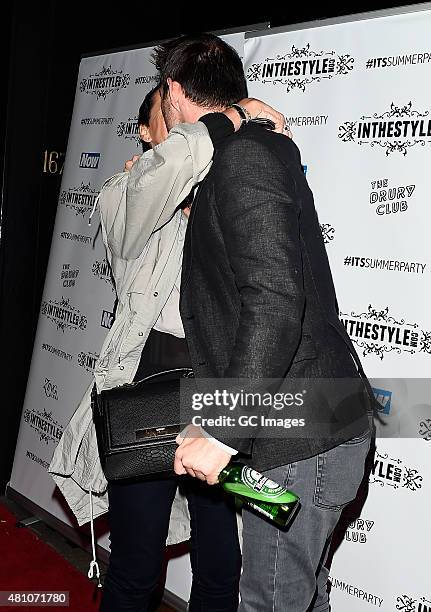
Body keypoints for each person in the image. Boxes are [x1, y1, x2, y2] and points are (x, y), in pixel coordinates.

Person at [152, 34, 376, 611]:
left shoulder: (245, 159)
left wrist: (222, 428)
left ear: (173, 92)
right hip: (298, 432)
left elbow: (275, 302)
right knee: (300, 597)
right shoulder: (250, 152)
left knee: (272, 601)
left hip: (299, 439)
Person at [48, 82, 287, 612]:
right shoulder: (126, 191)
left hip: (217, 393)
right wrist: (231, 116)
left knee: (222, 559)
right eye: (174, 121)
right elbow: (174, 168)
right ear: (146, 132)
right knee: (136, 564)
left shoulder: (220, 193)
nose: (187, 130)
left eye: (191, 121)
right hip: (148, 398)